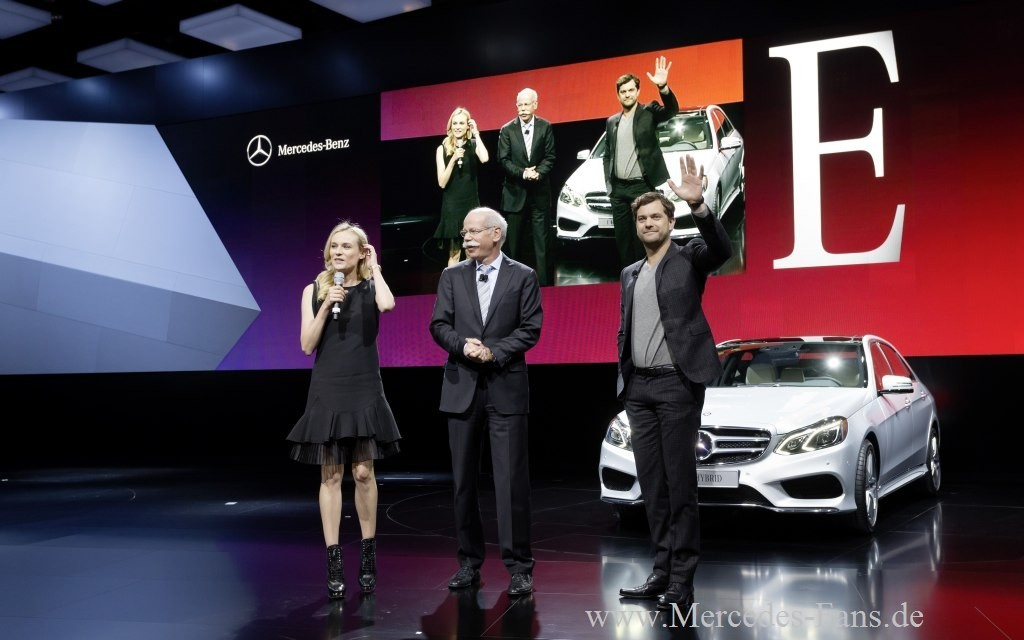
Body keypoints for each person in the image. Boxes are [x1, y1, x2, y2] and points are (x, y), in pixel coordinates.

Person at [616, 155, 731, 611]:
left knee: (680, 485)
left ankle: (683, 578)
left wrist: (699, 205)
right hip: (639, 391)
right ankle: (661, 571)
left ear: (670, 221)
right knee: (652, 486)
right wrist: (624, 380)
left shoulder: (689, 257)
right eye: (641, 219)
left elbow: (720, 249)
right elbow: (625, 330)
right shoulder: (629, 273)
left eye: (655, 217)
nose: (648, 223)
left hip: (677, 386)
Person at [429, 206, 543, 597]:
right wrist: (463, 346)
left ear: (496, 234)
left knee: (511, 483)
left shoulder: (523, 275)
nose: (466, 238)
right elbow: (439, 325)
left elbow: (530, 328)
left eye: (474, 232)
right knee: (463, 483)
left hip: (505, 387)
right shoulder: (451, 276)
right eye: (464, 233)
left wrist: (494, 352)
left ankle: (519, 567)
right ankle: (468, 563)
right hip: (461, 388)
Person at [286, 221, 401, 600]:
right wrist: (325, 305)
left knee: (364, 472)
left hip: (364, 384)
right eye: (333, 245)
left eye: (346, 246)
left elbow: (387, 305)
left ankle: (368, 555)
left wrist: (376, 267)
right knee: (331, 474)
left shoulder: (371, 286)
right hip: (328, 386)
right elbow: (306, 345)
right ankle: (334, 561)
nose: (338, 252)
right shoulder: (314, 289)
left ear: (361, 252)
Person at [603, 56, 679, 268]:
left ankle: (647, 275)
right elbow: (607, 155)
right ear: (618, 95)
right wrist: (610, 186)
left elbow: (672, 110)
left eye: (631, 90)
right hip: (618, 191)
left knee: (643, 239)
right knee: (623, 242)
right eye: (623, 91)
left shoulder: (649, 112)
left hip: (642, 188)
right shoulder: (611, 121)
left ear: (638, 92)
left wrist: (663, 87)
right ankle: (629, 278)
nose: (627, 94)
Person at [497, 88, 556, 286]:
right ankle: (515, 285)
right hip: (515, 193)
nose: (522, 108)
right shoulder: (507, 129)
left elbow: (550, 156)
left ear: (535, 105)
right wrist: (523, 173)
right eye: (519, 105)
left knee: (542, 243)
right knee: (513, 245)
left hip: (539, 193)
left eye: (526, 104)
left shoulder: (545, 126)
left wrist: (538, 172)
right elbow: (503, 160)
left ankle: (545, 285)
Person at [435, 107, 490, 267]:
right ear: (450, 126)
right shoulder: (442, 149)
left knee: (471, 251)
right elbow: (442, 182)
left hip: (470, 205)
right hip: (452, 206)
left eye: (461, 123)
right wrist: (453, 159)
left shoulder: (473, 145)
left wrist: (476, 134)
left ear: (467, 126)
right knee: (455, 252)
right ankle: (454, 282)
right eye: (455, 123)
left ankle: (471, 281)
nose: (458, 127)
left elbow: (485, 158)